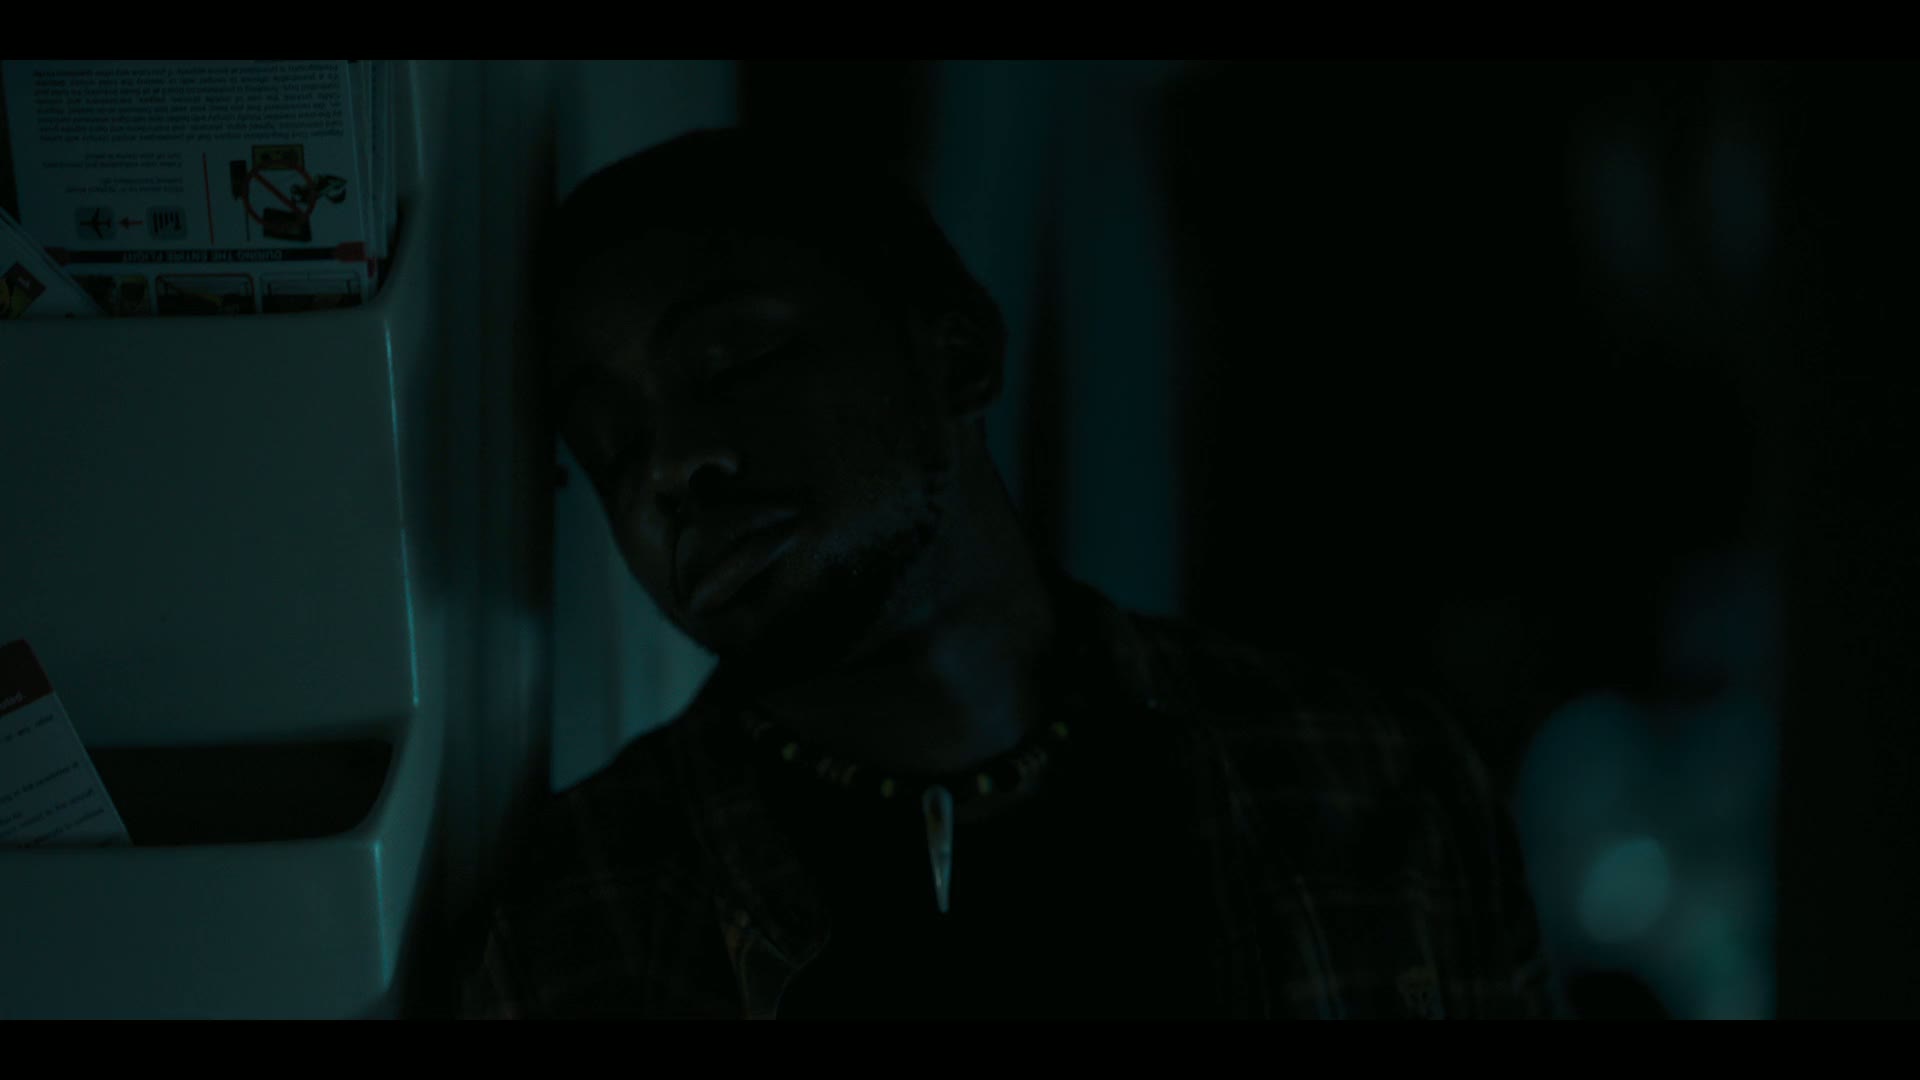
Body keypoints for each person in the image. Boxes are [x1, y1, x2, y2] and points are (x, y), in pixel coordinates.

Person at [458, 127, 1559, 1019]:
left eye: (734, 360)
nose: (668, 468)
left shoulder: (1366, 781)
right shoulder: (583, 913)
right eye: (609, 446)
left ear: (957, 352)